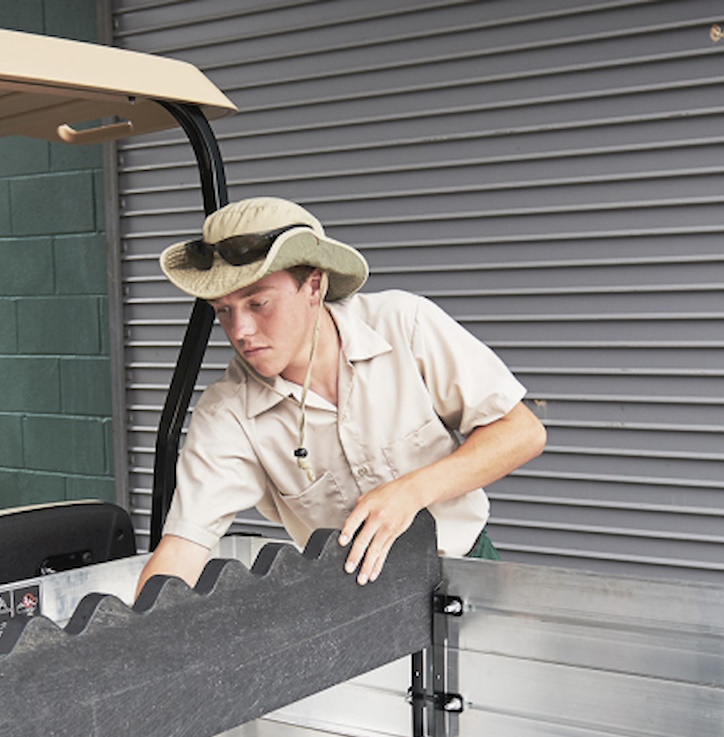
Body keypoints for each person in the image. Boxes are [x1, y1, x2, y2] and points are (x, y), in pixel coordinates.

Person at [135, 196, 547, 596]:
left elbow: (522, 432)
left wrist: (411, 492)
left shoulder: (404, 326)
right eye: (222, 310)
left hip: (465, 572)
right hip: (352, 605)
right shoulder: (227, 413)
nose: (239, 330)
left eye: (258, 303)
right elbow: (182, 550)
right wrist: (138, 633)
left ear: (314, 285)